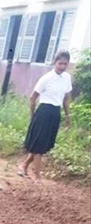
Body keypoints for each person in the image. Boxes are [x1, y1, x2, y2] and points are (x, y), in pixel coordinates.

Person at [19, 51, 72, 183]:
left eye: (65, 64)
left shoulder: (67, 78)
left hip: (55, 113)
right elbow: (32, 98)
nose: (62, 66)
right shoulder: (46, 78)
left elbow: (66, 99)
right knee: (39, 146)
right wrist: (33, 115)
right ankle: (37, 177)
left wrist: (68, 116)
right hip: (43, 113)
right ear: (55, 62)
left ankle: (24, 165)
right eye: (60, 63)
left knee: (44, 145)